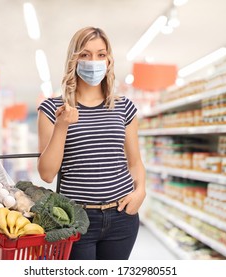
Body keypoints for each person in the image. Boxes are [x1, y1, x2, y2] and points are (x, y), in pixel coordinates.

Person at [36, 26, 146, 260]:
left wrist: (140, 192)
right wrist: (62, 125)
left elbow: (135, 162)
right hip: (75, 219)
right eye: (85, 54)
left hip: (121, 217)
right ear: (73, 60)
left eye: (101, 54)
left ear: (109, 61)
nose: (93, 61)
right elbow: (46, 173)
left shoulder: (124, 107)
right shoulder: (50, 109)